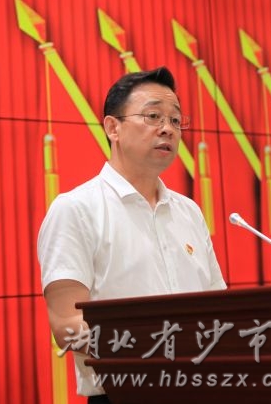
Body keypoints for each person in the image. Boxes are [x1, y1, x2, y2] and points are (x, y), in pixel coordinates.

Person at [37, 67, 227, 403]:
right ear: (113, 127)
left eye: (175, 120)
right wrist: (160, 347)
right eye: (153, 116)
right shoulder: (76, 209)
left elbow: (220, 309)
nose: (167, 129)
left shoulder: (189, 212)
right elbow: (67, 326)